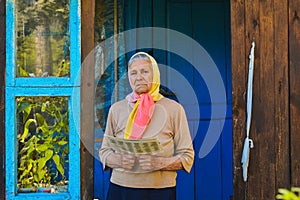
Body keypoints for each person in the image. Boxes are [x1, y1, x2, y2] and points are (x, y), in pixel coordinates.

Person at [99, 52, 194, 200]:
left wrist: (159, 163)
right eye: (133, 73)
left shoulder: (173, 109)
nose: (139, 77)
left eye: (144, 71)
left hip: (160, 191)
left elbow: (187, 157)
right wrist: (119, 160)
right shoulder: (116, 109)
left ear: (154, 74)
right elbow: (104, 152)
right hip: (120, 188)